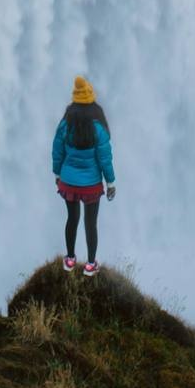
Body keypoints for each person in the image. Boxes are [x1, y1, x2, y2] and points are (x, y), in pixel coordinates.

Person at [52, 76, 115, 275]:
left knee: (72, 218)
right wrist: (110, 182)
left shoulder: (65, 125)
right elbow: (105, 159)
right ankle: (90, 265)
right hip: (91, 185)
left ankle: (69, 259)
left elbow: (57, 151)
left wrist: (57, 173)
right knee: (91, 223)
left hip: (68, 181)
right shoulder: (98, 129)